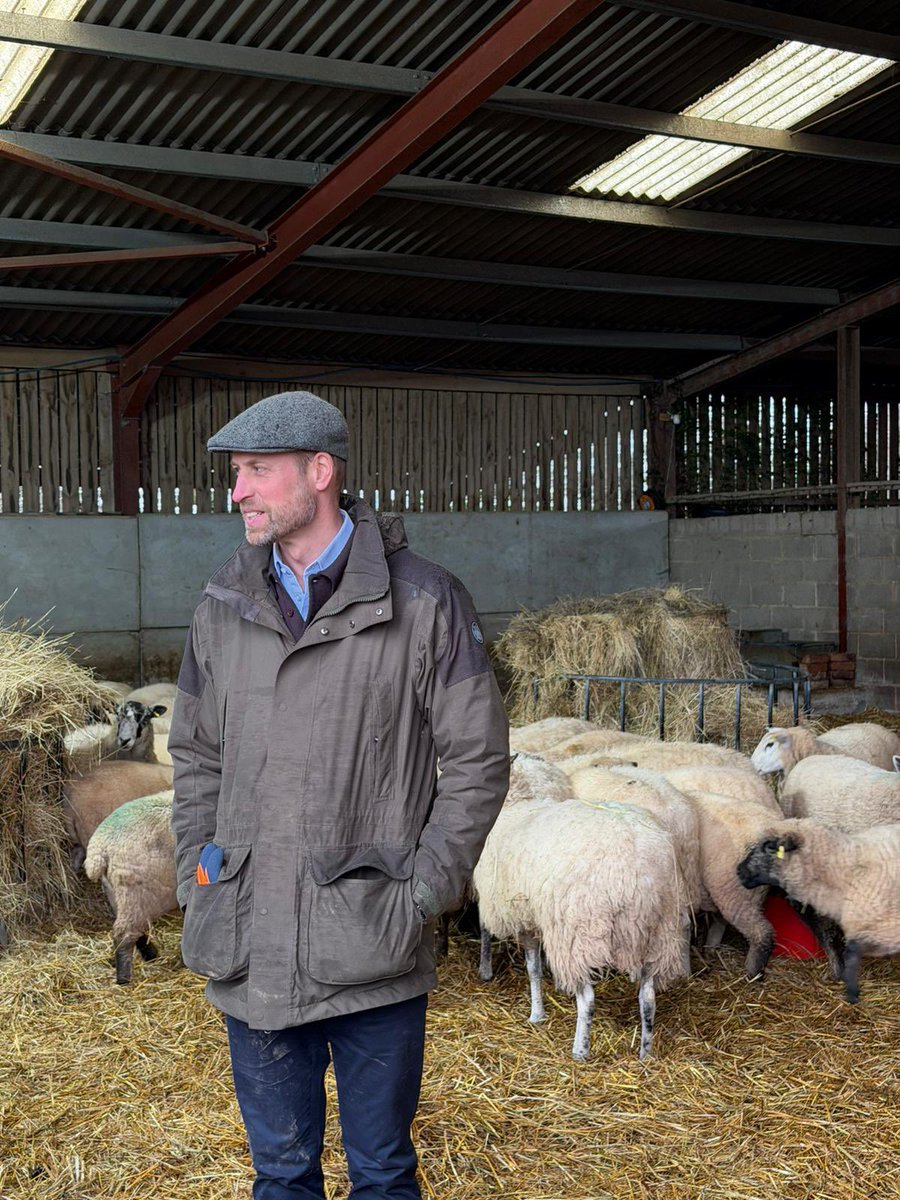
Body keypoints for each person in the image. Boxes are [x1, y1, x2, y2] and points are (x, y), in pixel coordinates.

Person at [167, 390, 510, 1200]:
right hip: (251, 936)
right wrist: (198, 874)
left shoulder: (423, 602)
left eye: (256, 471)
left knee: (382, 1173)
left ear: (320, 472)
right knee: (281, 1175)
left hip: (371, 940)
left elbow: (477, 761)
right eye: (235, 473)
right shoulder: (222, 605)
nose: (237, 491)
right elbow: (194, 756)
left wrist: (424, 891)